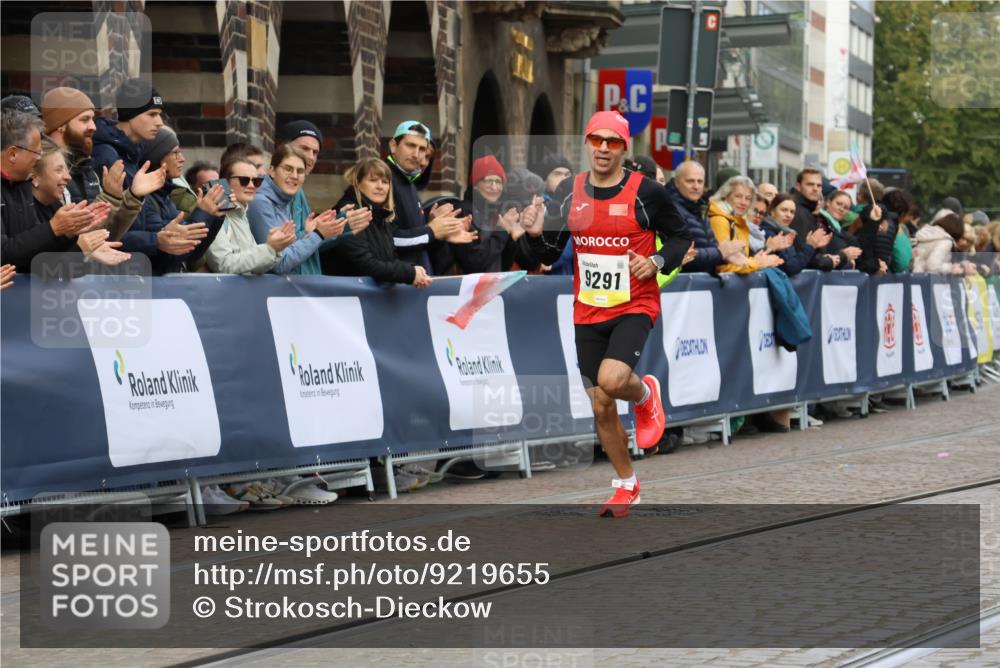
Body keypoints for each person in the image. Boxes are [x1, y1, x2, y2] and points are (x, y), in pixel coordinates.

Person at [521, 111, 693, 518]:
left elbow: (681, 236)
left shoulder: (646, 192)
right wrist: (532, 234)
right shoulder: (569, 189)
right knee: (600, 403)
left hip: (635, 303)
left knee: (613, 380)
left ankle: (646, 395)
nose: (602, 148)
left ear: (623, 147)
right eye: (596, 140)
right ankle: (625, 484)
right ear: (587, 142)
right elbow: (548, 252)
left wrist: (655, 260)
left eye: (612, 141)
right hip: (587, 308)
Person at [41, 86, 161, 240]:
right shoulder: (43, 170)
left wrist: (133, 197)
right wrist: (110, 197)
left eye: (92, 118)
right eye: (84, 119)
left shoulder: (86, 166)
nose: (93, 126)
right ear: (61, 125)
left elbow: (105, 235)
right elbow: (71, 239)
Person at [2, 110, 108, 271]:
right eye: (35, 152)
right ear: (13, 154)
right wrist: (54, 229)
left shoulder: (21, 184)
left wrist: (71, 235)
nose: (39, 158)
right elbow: (5, 256)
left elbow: (35, 258)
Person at [120, 127, 226, 274]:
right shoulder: (146, 199)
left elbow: (192, 254)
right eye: (175, 153)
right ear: (158, 157)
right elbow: (172, 254)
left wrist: (215, 216)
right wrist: (202, 213)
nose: (182, 158)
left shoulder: (165, 195)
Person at [247, 144, 362, 275]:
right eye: (288, 169)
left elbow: (290, 248)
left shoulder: (286, 198)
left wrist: (310, 233)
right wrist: (318, 234)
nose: (294, 176)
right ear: (272, 171)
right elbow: (279, 263)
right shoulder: (260, 202)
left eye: (300, 171)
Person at [323, 157, 432, 287]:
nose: (380, 186)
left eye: (385, 182)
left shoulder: (382, 216)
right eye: (373, 180)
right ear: (357, 182)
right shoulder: (350, 213)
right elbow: (365, 264)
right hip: (344, 299)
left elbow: (388, 260)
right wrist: (409, 273)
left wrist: (414, 270)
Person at [385, 120, 468, 272]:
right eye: (410, 145)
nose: (416, 154)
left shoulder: (409, 181)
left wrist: (440, 233)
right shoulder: (383, 180)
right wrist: (431, 231)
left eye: (422, 149)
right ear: (393, 146)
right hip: (394, 284)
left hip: (415, 282)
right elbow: (386, 240)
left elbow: (417, 243)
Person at [30, 138, 127, 266]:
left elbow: (60, 258)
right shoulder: (23, 211)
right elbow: (40, 269)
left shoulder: (56, 206)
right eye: (59, 170)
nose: (68, 177)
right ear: (34, 176)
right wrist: (81, 250)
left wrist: (89, 251)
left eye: (67, 170)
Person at [205, 158, 295, 274]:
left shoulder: (241, 213)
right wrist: (270, 248)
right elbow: (224, 264)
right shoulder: (215, 214)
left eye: (256, 181)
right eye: (244, 180)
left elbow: (251, 268)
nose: (252, 185)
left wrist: (275, 249)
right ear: (225, 183)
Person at [665, 160, 747, 274]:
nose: (696, 186)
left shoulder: (702, 207)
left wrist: (725, 256)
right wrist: (720, 253)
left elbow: (710, 247)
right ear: (677, 182)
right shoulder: (669, 209)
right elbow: (680, 255)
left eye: (700, 182)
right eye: (690, 181)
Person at [91, 79, 164, 185]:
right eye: (152, 114)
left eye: (159, 114)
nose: (159, 123)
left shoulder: (135, 150)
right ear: (130, 114)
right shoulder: (106, 154)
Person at [707, 176, 784, 274]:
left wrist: (756, 260)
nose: (743, 202)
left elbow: (741, 261)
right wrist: (757, 263)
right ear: (725, 196)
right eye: (738, 196)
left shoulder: (738, 222)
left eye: (748, 198)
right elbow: (720, 268)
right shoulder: (720, 220)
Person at [760, 193, 831, 277]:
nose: (788, 215)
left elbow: (802, 261)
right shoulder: (768, 233)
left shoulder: (789, 233)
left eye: (792, 212)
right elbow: (791, 267)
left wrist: (814, 247)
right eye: (784, 210)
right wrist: (810, 246)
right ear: (772, 212)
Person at [817, 190, 865, 271]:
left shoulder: (839, 229)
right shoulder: (820, 222)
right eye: (838, 204)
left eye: (846, 208)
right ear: (828, 202)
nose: (841, 209)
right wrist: (846, 258)